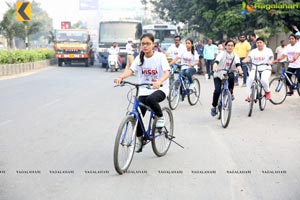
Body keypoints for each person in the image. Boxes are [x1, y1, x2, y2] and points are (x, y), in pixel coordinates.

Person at [114, 33, 170, 152]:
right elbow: (130, 70)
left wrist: (159, 81)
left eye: (148, 44)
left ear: (153, 44)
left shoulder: (160, 56)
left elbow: (167, 73)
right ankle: (141, 139)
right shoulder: (139, 58)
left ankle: (160, 117)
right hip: (143, 90)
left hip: (160, 89)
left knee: (151, 100)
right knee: (136, 115)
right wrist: (121, 78)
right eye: (143, 44)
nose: (145, 46)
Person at [211, 40, 242, 116]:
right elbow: (216, 61)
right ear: (225, 46)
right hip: (218, 74)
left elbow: (238, 64)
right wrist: (215, 66)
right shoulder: (221, 53)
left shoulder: (235, 56)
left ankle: (230, 92)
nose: (230, 47)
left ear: (234, 47)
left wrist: (240, 70)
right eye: (228, 45)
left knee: (231, 76)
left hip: (228, 74)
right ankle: (214, 106)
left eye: (232, 45)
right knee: (217, 91)